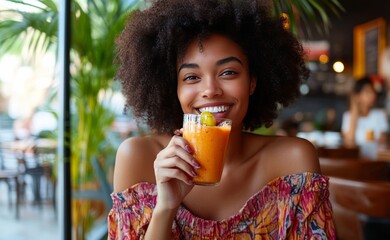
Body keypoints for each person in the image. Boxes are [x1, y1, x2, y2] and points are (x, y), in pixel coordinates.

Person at [108, 0, 335, 239]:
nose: (210, 90)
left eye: (228, 72)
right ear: (172, 88)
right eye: (192, 77)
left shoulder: (293, 162)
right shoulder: (138, 158)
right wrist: (165, 207)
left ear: (252, 82)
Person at [341, 76, 390, 147]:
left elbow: (383, 140)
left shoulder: (380, 114)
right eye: (367, 91)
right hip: (355, 157)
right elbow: (349, 141)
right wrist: (354, 109)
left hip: (375, 157)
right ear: (357, 95)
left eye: (373, 91)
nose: (373, 95)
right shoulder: (348, 116)